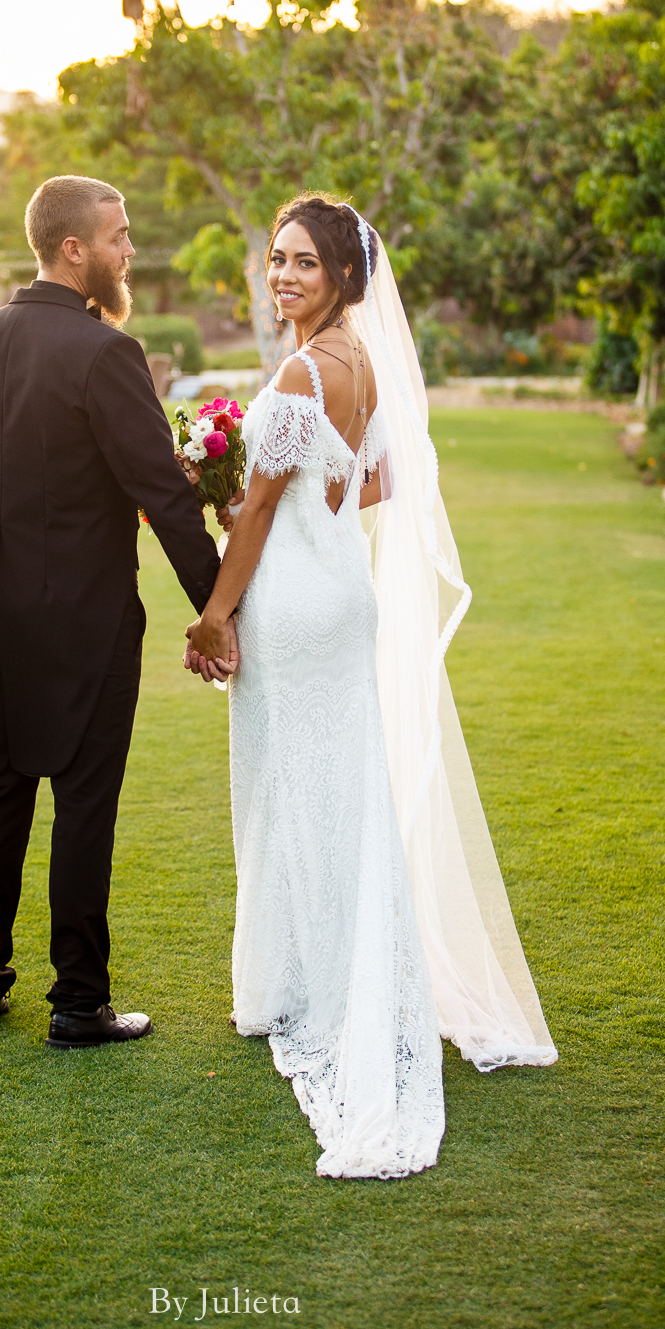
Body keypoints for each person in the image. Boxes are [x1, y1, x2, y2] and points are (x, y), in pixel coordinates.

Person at [184, 196, 556, 1178]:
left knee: (289, 795)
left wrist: (216, 614)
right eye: (277, 261)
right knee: (331, 794)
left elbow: (256, 515)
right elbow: (384, 478)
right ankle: (317, 981)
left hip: (297, 607)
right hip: (343, 595)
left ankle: (301, 994)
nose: (285, 278)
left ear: (345, 276)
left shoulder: (305, 370)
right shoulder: (364, 364)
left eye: (304, 263)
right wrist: (311, 488)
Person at [0, 175, 235, 1046]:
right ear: (74, 249)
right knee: (82, 802)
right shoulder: (108, 352)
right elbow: (163, 497)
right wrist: (224, 610)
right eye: (118, 236)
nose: (128, 252)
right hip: (88, 619)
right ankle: (78, 1003)